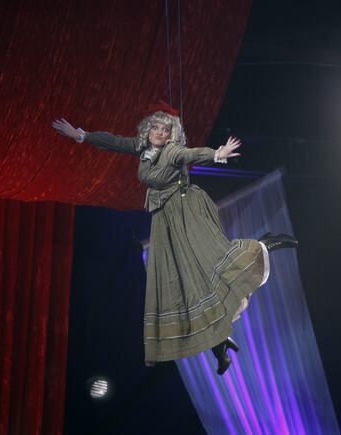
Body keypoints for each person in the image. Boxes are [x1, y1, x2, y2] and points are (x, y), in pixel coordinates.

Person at [52, 102, 297, 375]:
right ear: (148, 130)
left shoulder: (172, 151)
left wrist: (217, 154)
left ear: (170, 135)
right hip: (164, 218)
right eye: (155, 127)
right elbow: (115, 141)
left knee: (210, 267)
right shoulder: (143, 148)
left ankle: (266, 243)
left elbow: (192, 153)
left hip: (185, 210)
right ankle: (220, 343)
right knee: (185, 285)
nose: (159, 132)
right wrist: (82, 136)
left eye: (165, 129)